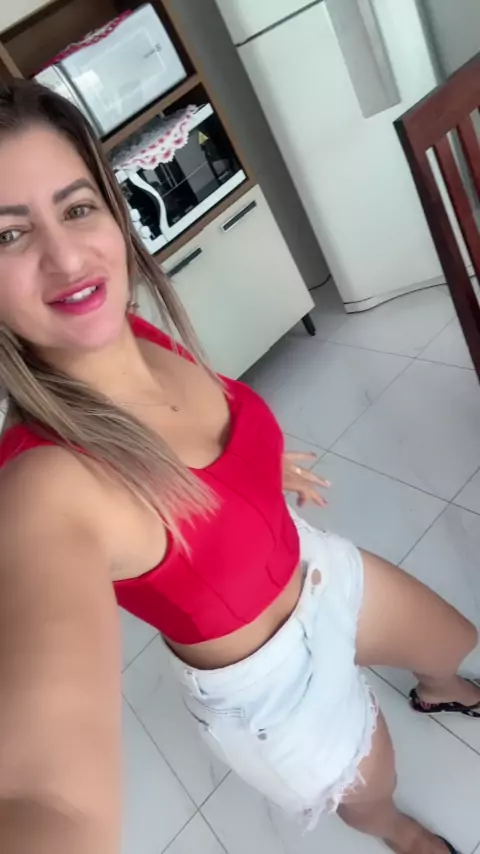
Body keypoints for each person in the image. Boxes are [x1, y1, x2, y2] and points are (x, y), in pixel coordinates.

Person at [0, 80, 477, 854]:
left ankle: (440, 692)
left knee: (451, 642)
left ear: (114, 213)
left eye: (77, 208)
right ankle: (399, 834)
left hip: (313, 570)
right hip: (268, 688)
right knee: (374, 787)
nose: (66, 257)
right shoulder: (43, 485)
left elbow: (204, 438)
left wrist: (260, 465)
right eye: (9, 235)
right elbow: (45, 797)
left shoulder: (129, 332)